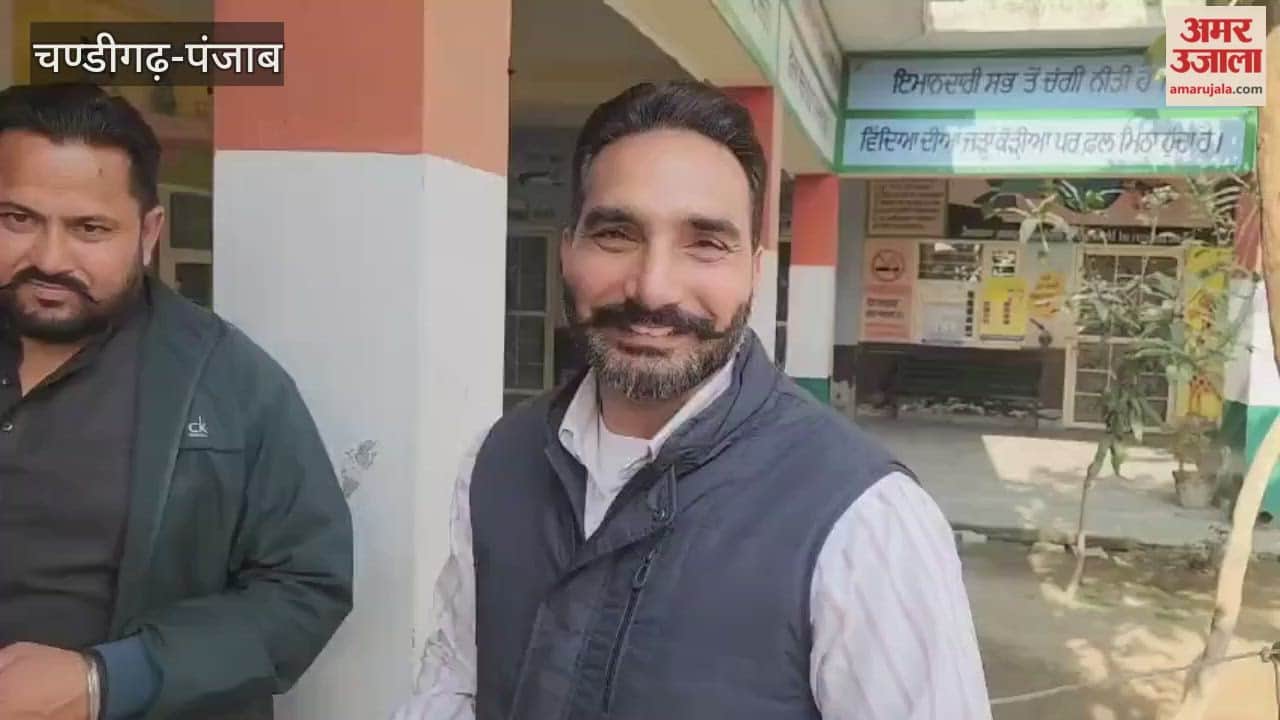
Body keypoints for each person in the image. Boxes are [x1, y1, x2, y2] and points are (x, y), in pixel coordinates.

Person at [394, 81, 992, 720]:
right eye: (617, 234)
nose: (653, 288)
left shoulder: (866, 520)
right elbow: (455, 682)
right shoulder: (497, 462)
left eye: (705, 243)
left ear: (756, 270)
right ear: (568, 249)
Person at [0, 83, 353, 719]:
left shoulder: (231, 385)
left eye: (89, 228)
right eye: (18, 219)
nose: (49, 258)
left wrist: (106, 681)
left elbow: (305, 589)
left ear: (148, 232)